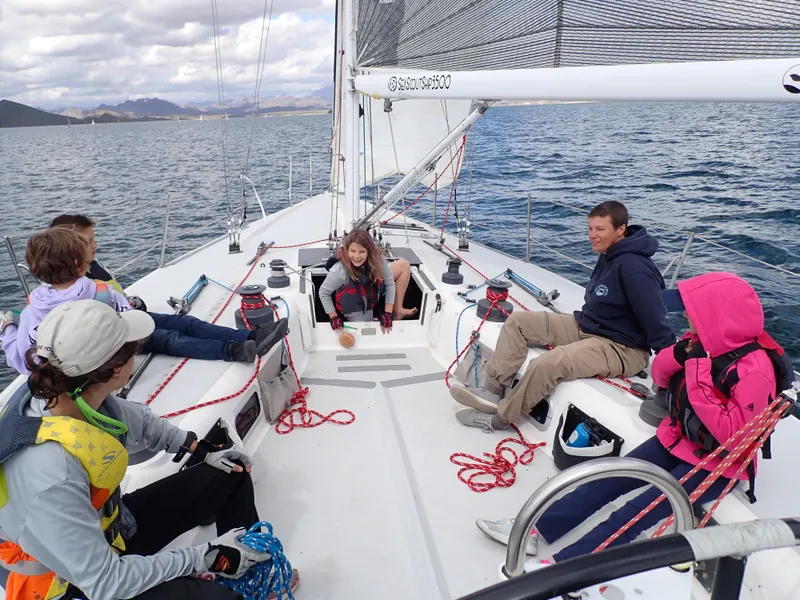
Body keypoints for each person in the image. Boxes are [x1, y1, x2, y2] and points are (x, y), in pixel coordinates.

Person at [0, 299, 299, 599]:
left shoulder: (64, 391)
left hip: (113, 528)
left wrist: (203, 450)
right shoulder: (52, 475)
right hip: (74, 583)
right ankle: (228, 578)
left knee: (230, 474)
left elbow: (137, 421)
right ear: (116, 370)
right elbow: (106, 583)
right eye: (132, 347)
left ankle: (248, 569)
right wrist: (205, 557)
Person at [474, 272, 777, 565]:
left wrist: (696, 372)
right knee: (603, 482)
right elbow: (659, 375)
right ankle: (537, 530)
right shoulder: (697, 344)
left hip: (717, 464)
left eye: (692, 311)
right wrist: (680, 355)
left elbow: (735, 437)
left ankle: (569, 569)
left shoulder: (755, 371)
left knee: (635, 512)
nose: (685, 316)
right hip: (676, 439)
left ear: (716, 316)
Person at [451, 201, 675, 431]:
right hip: (589, 326)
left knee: (547, 363)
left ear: (620, 229)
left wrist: (673, 368)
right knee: (518, 322)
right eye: (590, 229)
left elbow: (656, 320)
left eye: (600, 229)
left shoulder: (635, 268)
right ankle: (493, 390)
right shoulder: (610, 253)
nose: (592, 235)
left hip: (623, 348)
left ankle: (500, 419)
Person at [0, 227, 287, 375]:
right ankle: (240, 345)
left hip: (113, 338)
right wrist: (131, 308)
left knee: (177, 327)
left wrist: (7, 331)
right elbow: (129, 317)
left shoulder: (33, 311)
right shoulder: (98, 289)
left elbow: (24, 358)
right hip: (117, 342)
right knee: (173, 334)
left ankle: (245, 341)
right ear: (79, 264)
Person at [319, 229, 417, 334]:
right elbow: (323, 293)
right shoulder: (338, 271)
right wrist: (333, 317)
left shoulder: (378, 260)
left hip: (374, 290)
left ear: (369, 251)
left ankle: (398, 311)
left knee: (403, 265)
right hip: (356, 307)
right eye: (353, 251)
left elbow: (389, 283)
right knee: (365, 332)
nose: (356, 256)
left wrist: (388, 312)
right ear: (347, 250)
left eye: (362, 251)